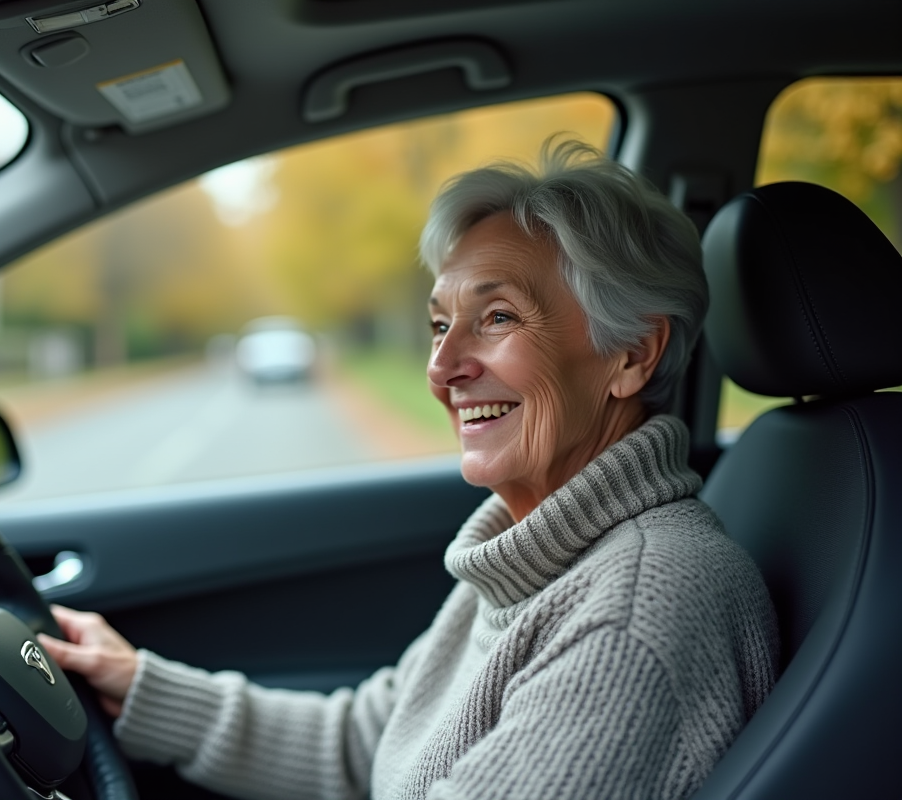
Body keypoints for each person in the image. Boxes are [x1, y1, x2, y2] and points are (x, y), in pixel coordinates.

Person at [38, 139, 780, 800]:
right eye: (438, 323)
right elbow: (368, 740)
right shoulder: (535, 557)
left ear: (633, 355)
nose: (443, 365)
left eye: (497, 318)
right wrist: (141, 688)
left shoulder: (633, 613)